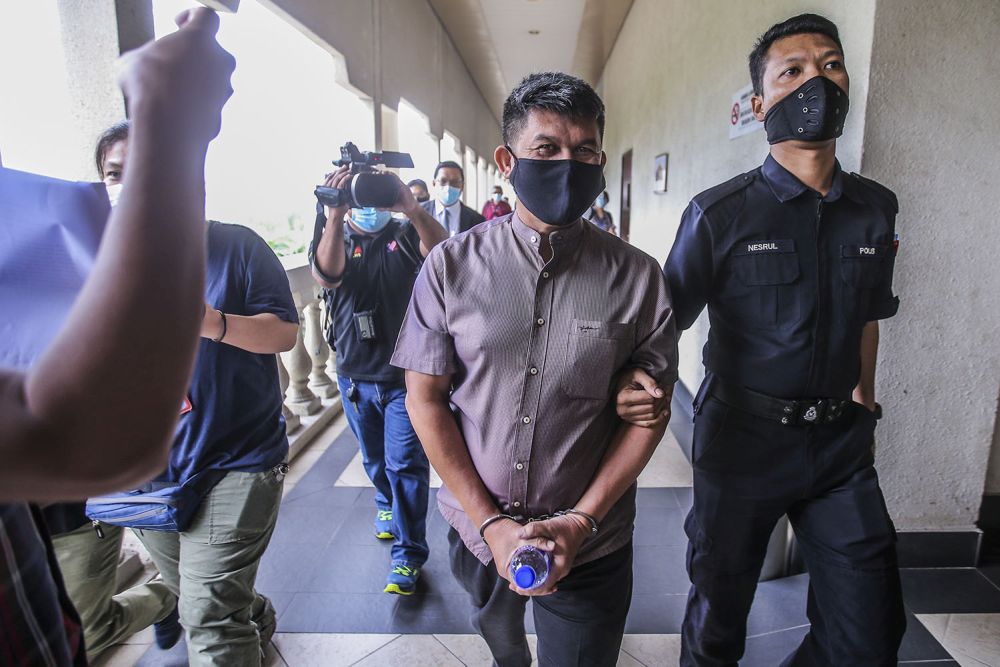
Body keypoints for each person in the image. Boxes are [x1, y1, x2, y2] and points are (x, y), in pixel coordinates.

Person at [620, 14, 906, 666]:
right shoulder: (720, 213)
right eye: (792, 71)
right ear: (759, 105)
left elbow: (869, 314)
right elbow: (664, 324)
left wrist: (865, 400)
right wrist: (638, 394)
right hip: (741, 441)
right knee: (718, 621)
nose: (816, 82)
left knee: (869, 634)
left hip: (839, 447)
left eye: (830, 65)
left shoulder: (875, 208)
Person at [393, 71, 678, 666]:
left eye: (585, 151)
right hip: (476, 527)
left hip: (592, 537)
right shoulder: (449, 267)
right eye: (546, 149)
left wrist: (581, 520)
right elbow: (425, 398)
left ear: (601, 162)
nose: (567, 165)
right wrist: (490, 524)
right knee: (500, 637)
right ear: (507, 161)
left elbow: (649, 415)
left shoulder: (638, 278)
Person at [0, 8, 234, 665]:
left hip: (220, 458)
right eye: (113, 172)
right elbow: (94, 428)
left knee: (204, 603)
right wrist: (172, 126)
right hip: (119, 493)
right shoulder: (82, 255)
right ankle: (165, 601)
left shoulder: (233, 248)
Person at [100, 118, 299, 665]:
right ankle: (254, 617)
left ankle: (237, 624)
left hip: (236, 458)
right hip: (145, 472)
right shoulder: (93, 260)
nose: (130, 184)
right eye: (115, 173)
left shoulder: (236, 247)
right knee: (200, 591)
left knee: (207, 615)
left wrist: (212, 323)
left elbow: (284, 333)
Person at [39, 122, 194, 663]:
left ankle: (183, 597)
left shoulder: (185, 257)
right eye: (113, 173)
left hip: (78, 495)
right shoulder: (60, 263)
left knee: (85, 632)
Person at [310, 165, 447, 595]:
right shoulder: (332, 233)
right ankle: (385, 500)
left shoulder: (405, 234)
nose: (368, 203)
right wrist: (334, 215)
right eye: (360, 194)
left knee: (405, 464)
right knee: (373, 458)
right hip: (354, 374)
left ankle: (408, 554)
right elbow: (327, 274)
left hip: (406, 376)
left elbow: (445, 252)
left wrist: (411, 207)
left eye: (374, 193)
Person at [421, 160, 485, 236]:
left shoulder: (477, 221)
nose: (448, 187)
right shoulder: (418, 213)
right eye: (443, 181)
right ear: (434, 184)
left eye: (455, 182)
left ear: (462, 186)